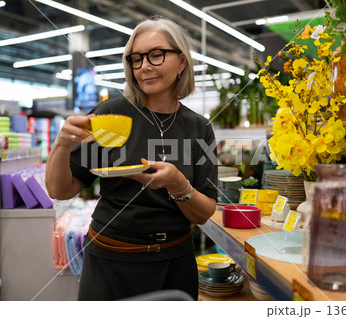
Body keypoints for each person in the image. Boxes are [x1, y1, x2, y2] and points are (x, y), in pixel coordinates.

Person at [45, 16, 218, 301]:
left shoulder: (200, 128)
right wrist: (61, 145)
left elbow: (204, 212)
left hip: (175, 263)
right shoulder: (109, 116)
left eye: (156, 55)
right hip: (111, 262)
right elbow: (60, 190)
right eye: (136, 59)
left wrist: (177, 183)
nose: (144, 66)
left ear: (182, 62)